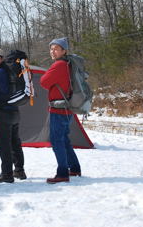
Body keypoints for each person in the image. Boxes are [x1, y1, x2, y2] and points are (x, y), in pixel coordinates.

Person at [40, 37, 81, 184]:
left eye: (56, 48)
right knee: (64, 139)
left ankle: (63, 173)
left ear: (64, 51)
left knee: (56, 140)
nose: (52, 51)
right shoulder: (68, 64)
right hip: (67, 108)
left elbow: (43, 82)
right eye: (51, 48)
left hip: (59, 109)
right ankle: (75, 168)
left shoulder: (59, 65)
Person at [0, 48, 27, 183]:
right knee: (15, 142)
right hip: (15, 111)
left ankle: (7, 174)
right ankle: (19, 170)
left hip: (3, 112)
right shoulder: (11, 71)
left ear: (2, 59)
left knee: (3, 144)